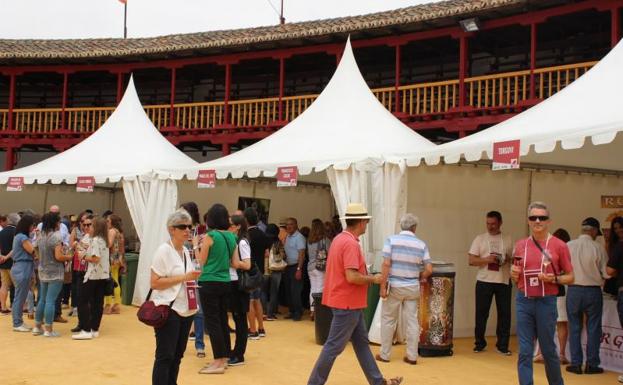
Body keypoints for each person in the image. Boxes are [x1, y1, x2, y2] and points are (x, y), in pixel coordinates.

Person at [307, 203, 402, 385]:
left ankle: (377, 381)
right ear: (360, 222)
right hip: (348, 303)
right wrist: (373, 279)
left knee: (360, 344)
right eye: (366, 221)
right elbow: (352, 276)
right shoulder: (350, 243)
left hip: (347, 302)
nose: (366, 224)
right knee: (334, 347)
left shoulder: (339, 240)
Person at [510, 201, 574, 385]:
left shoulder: (559, 245)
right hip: (524, 300)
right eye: (533, 217)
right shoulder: (521, 245)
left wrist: (552, 279)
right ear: (528, 221)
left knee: (547, 350)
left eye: (542, 218)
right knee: (524, 350)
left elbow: (571, 277)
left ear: (549, 221)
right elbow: (515, 272)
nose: (537, 221)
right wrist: (513, 273)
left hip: (547, 301)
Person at [149, 209, 201, 385]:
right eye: (182, 227)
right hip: (169, 309)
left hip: (186, 310)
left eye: (189, 227)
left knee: (178, 355)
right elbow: (154, 283)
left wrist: (192, 279)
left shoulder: (185, 251)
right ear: (172, 229)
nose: (187, 230)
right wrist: (184, 278)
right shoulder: (163, 251)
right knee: (165, 356)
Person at [378, 213, 432, 364]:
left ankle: (385, 354)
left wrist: (383, 285)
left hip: (394, 286)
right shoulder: (421, 244)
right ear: (414, 227)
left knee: (388, 319)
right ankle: (412, 356)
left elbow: (386, 264)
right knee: (412, 322)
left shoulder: (391, 240)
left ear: (401, 225)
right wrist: (421, 275)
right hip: (412, 287)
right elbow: (429, 268)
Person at [196, 203, 236, 374]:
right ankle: (224, 358)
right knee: (222, 321)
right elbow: (234, 263)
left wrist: (196, 245)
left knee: (212, 323)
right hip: (226, 281)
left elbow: (201, 261)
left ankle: (218, 361)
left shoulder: (210, 236)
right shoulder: (231, 237)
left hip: (209, 282)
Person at [565, 217, 609, 375]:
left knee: (575, 327)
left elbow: (563, 270)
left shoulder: (569, 246)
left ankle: (576, 364)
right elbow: (606, 273)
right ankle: (592, 364)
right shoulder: (598, 248)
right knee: (594, 328)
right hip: (593, 291)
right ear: (594, 231)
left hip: (574, 291)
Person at [468, 210, 513, 355]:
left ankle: (503, 345)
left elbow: (514, 258)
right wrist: (488, 259)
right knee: (481, 313)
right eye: (488, 223)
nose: (490, 226)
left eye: (493, 224)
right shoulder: (480, 239)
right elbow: (471, 260)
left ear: (500, 223)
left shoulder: (508, 239)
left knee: (504, 314)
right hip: (484, 280)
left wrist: (506, 260)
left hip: (503, 280)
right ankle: (479, 343)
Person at [534, 228, 572, 365]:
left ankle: (540, 352)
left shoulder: (548, 251)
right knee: (561, 322)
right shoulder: (567, 251)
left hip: (548, 289)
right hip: (562, 289)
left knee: (544, 321)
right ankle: (561, 354)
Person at [32, 212, 72, 337]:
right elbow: (58, 256)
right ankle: (48, 330)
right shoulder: (56, 237)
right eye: (59, 222)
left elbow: (35, 251)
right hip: (55, 272)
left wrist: (42, 259)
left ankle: (37, 327)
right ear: (55, 222)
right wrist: (69, 257)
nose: (60, 224)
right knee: (50, 301)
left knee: (42, 300)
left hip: (43, 271)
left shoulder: (41, 235)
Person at [72, 217, 110, 340]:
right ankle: (94, 328)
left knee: (82, 301)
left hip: (93, 275)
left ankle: (86, 330)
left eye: (91, 226)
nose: (88, 228)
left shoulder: (95, 240)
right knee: (98, 303)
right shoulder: (104, 240)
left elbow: (95, 258)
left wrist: (83, 256)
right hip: (103, 275)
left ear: (96, 227)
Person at [227, 214, 252, 365]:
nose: (228, 227)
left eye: (230, 224)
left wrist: (232, 263)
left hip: (240, 284)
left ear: (237, 227)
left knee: (240, 320)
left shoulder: (242, 242)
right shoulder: (235, 240)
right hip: (234, 283)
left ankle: (239, 354)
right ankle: (235, 351)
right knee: (237, 318)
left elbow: (247, 264)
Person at [244, 207, 269, 338]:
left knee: (250, 301)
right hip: (260, 271)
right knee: (257, 300)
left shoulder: (246, 236)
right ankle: (261, 328)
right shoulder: (262, 234)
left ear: (246, 220)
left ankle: (252, 330)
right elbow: (266, 252)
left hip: (249, 271)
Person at [8, 215, 36, 332]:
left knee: (21, 296)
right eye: (32, 225)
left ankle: (19, 321)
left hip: (22, 266)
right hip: (22, 267)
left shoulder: (19, 236)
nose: (33, 227)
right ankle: (17, 323)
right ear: (27, 225)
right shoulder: (22, 237)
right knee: (19, 297)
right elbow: (32, 250)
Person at [606, 217, 623, 384]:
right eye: (616, 227)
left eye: (620, 227)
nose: (618, 230)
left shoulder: (619, 246)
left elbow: (609, 270)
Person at [69, 213, 93, 333]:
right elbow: (78, 249)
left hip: (87, 271)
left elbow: (85, 251)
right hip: (79, 269)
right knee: (80, 299)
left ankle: (86, 324)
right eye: (84, 224)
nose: (86, 226)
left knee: (85, 300)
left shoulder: (94, 238)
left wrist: (77, 245)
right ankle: (81, 323)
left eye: (89, 224)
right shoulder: (84, 236)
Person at [307, 218, 331, 321]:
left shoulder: (310, 240)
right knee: (321, 288)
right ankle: (318, 311)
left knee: (313, 288)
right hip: (321, 266)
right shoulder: (325, 240)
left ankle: (312, 310)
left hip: (310, 267)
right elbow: (330, 253)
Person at [283, 217, 306, 321]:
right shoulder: (287, 236)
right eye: (287, 224)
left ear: (296, 225)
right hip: (288, 267)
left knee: (295, 291)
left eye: (291, 224)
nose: (289, 226)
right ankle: (292, 311)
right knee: (288, 291)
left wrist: (299, 269)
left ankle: (298, 312)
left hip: (296, 266)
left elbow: (302, 254)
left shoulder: (299, 237)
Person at [104, 214, 124, 315]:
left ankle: (108, 305)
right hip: (116, 259)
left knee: (108, 281)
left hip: (110, 258)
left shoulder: (111, 231)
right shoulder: (119, 232)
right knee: (115, 281)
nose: (106, 222)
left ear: (112, 222)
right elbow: (121, 248)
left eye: (108, 221)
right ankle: (116, 305)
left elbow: (109, 244)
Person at [0, 213, 19, 314]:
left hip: (2, 262)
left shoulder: (1, 232)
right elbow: (15, 248)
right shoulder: (16, 232)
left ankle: (3, 307)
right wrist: (7, 257)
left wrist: (1, 257)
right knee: (17, 286)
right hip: (12, 262)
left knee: (4, 285)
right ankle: (17, 307)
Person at [266, 223, 285, 321]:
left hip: (265, 269)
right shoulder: (278, 243)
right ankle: (271, 313)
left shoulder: (264, 241)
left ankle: (265, 311)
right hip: (276, 270)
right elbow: (282, 256)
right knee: (274, 292)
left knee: (264, 291)